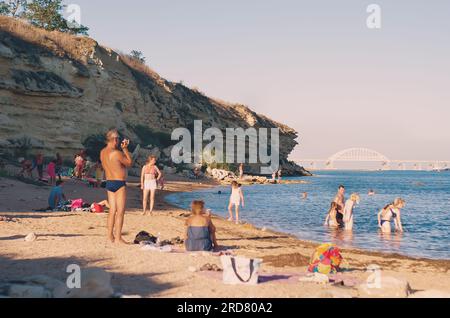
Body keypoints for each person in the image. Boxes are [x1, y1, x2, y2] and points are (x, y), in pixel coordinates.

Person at [100, 130, 133, 244]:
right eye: (118, 139)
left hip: (109, 182)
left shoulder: (102, 152)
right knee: (120, 211)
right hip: (119, 183)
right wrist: (125, 149)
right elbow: (129, 163)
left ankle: (110, 237)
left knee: (112, 210)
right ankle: (118, 238)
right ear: (114, 139)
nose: (119, 141)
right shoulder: (117, 153)